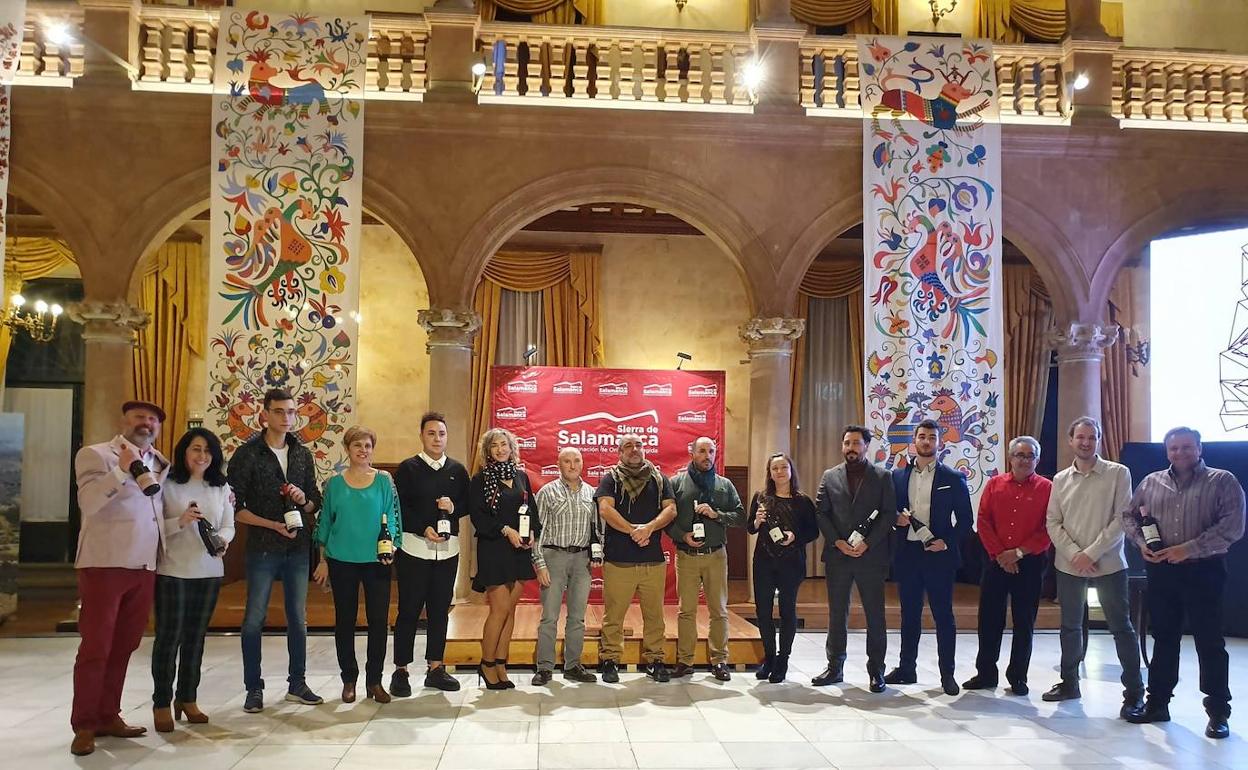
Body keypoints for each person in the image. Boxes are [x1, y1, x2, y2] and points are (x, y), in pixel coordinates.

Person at [1123, 426, 1245, 739]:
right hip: (1163, 572)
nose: (1180, 453)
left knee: (1210, 641)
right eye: (1174, 448)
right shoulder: (1152, 481)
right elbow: (1129, 516)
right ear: (1167, 451)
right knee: (1164, 638)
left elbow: (1232, 527)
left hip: (1205, 570)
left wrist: (1187, 549)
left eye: (1187, 447)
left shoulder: (1222, 481)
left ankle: (1218, 712)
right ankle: (1158, 704)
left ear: (1199, 448)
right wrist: (1141, 544)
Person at [69, 401, 170, 756]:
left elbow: (155, 515)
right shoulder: (95, 455)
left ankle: (108, 714)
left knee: (126, 645)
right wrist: (123, 471)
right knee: (96, 646)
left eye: (153, 419)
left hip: (144, 566)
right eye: (139, 417)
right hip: (104, 565)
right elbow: (89, 503)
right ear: (123, 420)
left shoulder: (160, 462)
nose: (146, 423)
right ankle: (84, 724)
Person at [230, 388, 324, 713]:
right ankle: (253, 688)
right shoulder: (247, 454)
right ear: (265, 415)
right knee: (254, 618)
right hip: (263, 548)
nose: (286, 418)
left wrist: (303, 500)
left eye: (290, 412)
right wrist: (271, 525)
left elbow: (315, 501)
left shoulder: (302, 454)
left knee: (298, 619)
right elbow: (236, 508)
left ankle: (297, 684)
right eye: (279, 412)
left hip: (298, 547)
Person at [1043, 416, 1143, 717]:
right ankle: (1069, 682)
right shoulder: (1060, 479)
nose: (1086, 442)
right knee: (1070, 627)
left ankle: (1134, 693)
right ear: (1071, 440)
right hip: (1069, 564)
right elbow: (1052, 521)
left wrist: (1092, 552)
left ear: (1098, 440)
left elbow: (1122, 518)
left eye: (1091, 437)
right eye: (1080, 437)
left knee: (1122, 628)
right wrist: (1076, 553)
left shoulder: (1118, 473)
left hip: (1109, 563)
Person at [152, 428, 235, 733]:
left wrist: (224, 541)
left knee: (195, 639)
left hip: (209, 571)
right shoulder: (167, 484)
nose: (201, 456)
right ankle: (161, 701)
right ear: (184, 452)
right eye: (195, 449)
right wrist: (181, 521)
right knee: (168, 638)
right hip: (173, 570)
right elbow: (154, 525)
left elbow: (229, 524)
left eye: (207, 451)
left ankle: (188, 698)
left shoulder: (220, 486)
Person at [312, 426, 402, 704]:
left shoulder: (384, 480)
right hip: (341, 561)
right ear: (347, 449)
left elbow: (394, 516)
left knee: (378, 622)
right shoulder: (335, 484)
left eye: (368, 445)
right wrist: (323, 560)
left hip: (377, 560)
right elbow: (325, 522)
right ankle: (348, 679)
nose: (363, 450)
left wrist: (394, 546)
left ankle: (374, 681)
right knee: (345, 621)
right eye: (357, 445)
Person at [886, 419, 972, 696]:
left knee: (943, 616)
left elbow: (966, 521)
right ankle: (906, 668)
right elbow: (889, 513)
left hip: (938, 556)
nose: (926, 441)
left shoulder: (952, 478)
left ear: (939, 443)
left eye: (931, 437)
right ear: (914, 441)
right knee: (908, 615)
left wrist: (945, 543)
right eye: (921, 436)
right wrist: (894, 521)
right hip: (908, 554)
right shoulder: (897, 477)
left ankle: (947, 674)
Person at [963, 436, 1052, 696]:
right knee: (989, 619)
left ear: (1037, 459)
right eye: (1019, 455)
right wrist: (1001, 554)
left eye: (1030, 455)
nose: (1024, 460)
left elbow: (1049, 527)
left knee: (1024, 620)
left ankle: (1018, 676)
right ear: (1010, 458)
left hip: (1031, 562)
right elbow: (983, 521)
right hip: (995, 561)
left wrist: (1018, 553)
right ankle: (986, 673)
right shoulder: (994, 484)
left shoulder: (1048, 488)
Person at [812, 424, 897, 692]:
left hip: (870, 557)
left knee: (875, 615)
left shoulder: (883, 477)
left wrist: (868, 544)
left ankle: (876, 671)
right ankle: (835, 667)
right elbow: (821, 513)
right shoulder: (830, 476)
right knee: (837, 614)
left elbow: (888, 514)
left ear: (866, 446)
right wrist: (837, 541)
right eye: (847, 443)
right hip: (839, 556)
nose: (851, 448)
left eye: (857, 443)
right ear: (842, 445)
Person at [391, 412, 470, 695]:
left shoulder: (458, 470)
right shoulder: (408, 468)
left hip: (447, 552)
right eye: (431, 433)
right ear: (422, 436)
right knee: (409, 612)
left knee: (440, 611)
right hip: (414, 549)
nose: (437, 438)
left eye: (442, 434)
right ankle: (401, 670)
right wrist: (423, 528)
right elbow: (400, 508)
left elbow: (466, 505)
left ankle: (435, 667)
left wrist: (453, 508)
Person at [596, 434, 677, 683]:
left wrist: (649, 528)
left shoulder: (659, 478)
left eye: (638, 445)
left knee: (654, 616)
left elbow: (671, 509)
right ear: (619, 452)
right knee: (614, 616)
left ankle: (655, 660)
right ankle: (610, 659)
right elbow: (605, 509)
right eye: (628, 446)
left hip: (652, 561)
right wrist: (634, 531)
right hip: (618, 560)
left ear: (645, 449)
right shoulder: (611, 478)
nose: (634, 450)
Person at [668, 437, 744, 681]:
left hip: (716, 556)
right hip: (687, 556)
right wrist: (682, 535)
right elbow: (666, 519)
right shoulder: (676, 483)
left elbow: (741, 516)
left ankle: (720, 660)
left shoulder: (725, 485)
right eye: (702, 451)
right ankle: (685, 660)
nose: (707, 455)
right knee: (686, 611)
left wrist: (717, 514)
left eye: (711, 451)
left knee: (719, 610)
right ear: (692, 453)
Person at [470, 427, 541, 689]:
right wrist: (505, 530)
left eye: (504, 445)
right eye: (494, 446)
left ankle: (501, 663)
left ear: (512, 449)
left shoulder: (521, 476)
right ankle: (486, 664)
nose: (500, 450)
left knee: (510, 611)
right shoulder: (480, 479)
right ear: (487, 451)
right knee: (498, 610)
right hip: (494, 550)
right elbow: (479, 517)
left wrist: (532, 531)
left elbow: (530, 509)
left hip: (519, 551)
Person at [747, 452, 818, 683]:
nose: (779, 472)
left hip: (791, 562)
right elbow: (750, 528)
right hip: (764, 562)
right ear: (769, 472)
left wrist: (793, 536)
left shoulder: (802, 500)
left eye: (783, 467)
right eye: (774, 468)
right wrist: (757, 521)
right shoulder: (761, 497)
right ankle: (769, 658)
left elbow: (813, 531)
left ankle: (783, 659)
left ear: (791, 471)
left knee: (787, 611)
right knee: (763, 612)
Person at [531, 447, 600, 685]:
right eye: (567, 461)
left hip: (582, 560)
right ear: (558, 465)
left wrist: (596, 552)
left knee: (577, 617)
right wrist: (539, 563)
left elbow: (597, 530)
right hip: (554, 557)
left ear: (582, 464)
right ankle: (544, 667)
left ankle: (573, 665)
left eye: (576, 461)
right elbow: (536, 533)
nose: (572, 465)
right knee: (549, 617)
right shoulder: (547, 492)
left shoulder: (592, 493)